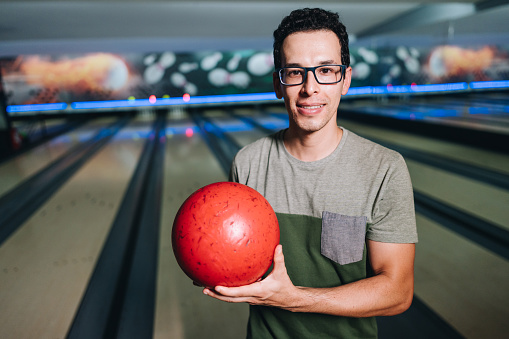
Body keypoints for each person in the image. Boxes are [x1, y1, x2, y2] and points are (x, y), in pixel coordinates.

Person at [203, 7, 418, 338]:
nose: (310, 88)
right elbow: (237, 259)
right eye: (295, 72)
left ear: (345, 79)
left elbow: (398, 292)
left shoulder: (384, 169)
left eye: (326, 70)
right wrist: (211, 263)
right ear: (278, 83)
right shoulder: (247, 162)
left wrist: (295, 300)